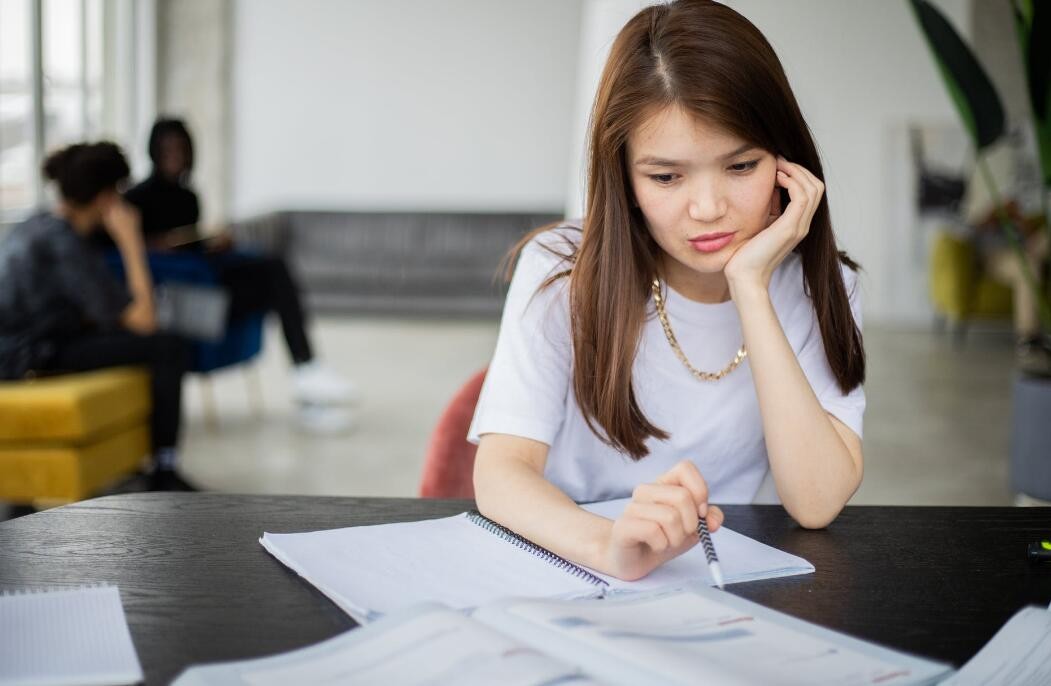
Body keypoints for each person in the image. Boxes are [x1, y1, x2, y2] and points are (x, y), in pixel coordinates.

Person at [469, 0, 866, 582]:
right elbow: (500, 473)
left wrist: (750, 285)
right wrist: (611, 548)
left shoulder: (823, 285)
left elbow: (816, 501)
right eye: (666, 176)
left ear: (786, 163)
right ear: (624, 178)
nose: (708, 210)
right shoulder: (561, 270)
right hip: (568, 564)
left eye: (740, 167)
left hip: (721, 580)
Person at [119, 118, 358, 426]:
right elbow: (131, 256)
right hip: (181, 298)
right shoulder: (135, 200)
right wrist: (158, 246)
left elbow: (192, 245)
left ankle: (307, 374)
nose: (175, 156)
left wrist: (214, 244)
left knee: (273, 267)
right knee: (272, 277)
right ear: (154, 151)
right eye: (168, 149)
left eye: (181, 148)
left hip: (204, 277)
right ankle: (306, 374)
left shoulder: (188, 197)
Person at [0, 142, 196, 491]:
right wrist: (130, 240)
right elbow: (143, 320)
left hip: (21, 349)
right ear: (106, 196)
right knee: (167, 345)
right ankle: (164, 472)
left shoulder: (38, 224)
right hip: (32, 357)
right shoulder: (65, 243)